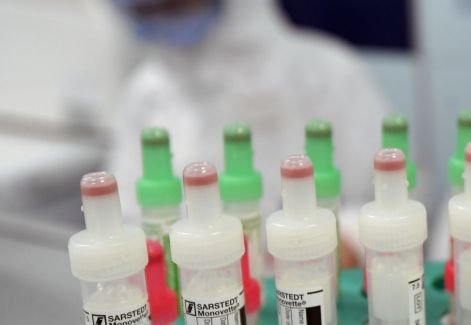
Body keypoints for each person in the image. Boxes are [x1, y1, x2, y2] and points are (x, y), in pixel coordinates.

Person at [107, 0, 389, 264]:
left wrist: (337, 244)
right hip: (197, 290)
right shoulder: (144, 94)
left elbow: (391, 197)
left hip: (312, 284)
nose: (163, 19)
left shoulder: (326, 73)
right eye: (148, 12)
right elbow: (129, 218)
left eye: (175, 5)